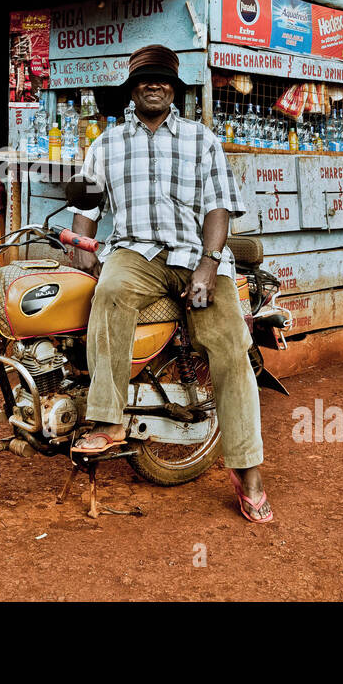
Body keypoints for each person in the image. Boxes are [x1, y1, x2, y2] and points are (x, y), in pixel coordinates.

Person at [66, 44, 273, 523]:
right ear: (132, 89)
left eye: (162, 79)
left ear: (174, 88)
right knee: (108, 292)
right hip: (135, 253)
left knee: (228, 348)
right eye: (145, 79)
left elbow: (219, 207)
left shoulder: (201, 139)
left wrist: (208, 263)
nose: (153, 86)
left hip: (196, 255)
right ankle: (108, 419)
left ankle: (248, 470)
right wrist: (78, 252)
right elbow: (87, 214)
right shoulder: (106, 144)